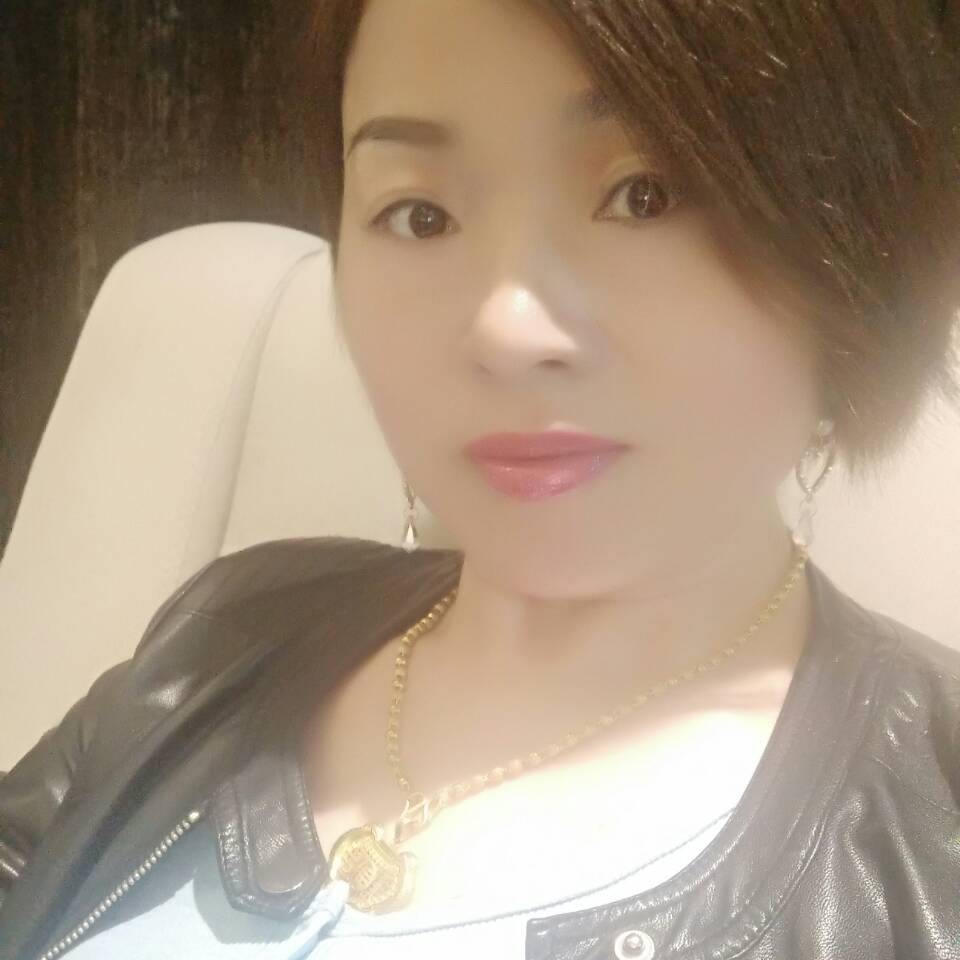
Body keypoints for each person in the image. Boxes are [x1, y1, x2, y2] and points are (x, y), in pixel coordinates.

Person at [2, 0, 959, 958]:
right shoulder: (222, 638)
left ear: (856, 243)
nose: (507, 330)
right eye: (419, 215)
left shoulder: (931, 837)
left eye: (647, 194)